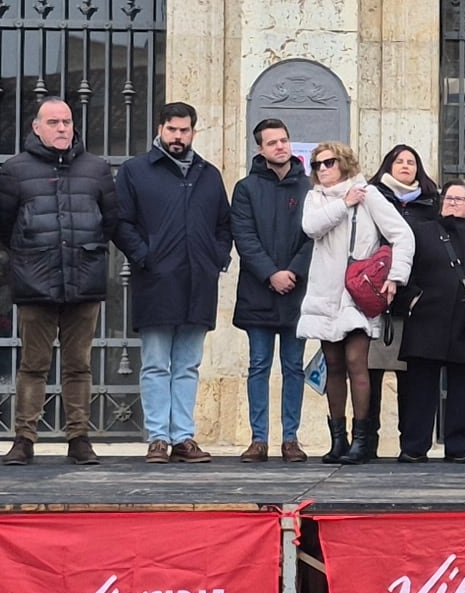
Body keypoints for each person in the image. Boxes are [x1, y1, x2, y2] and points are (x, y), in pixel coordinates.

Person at [0, 95, 117, 467]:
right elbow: (4, 225)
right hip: (35, 281)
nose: (62, 128)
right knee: (33, 365)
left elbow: (110, 219)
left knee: (79, 364)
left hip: (84, 279)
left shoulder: (96, 169)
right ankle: (24, 439)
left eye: (66, 122)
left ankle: (79, 438)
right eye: (53, 122)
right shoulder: (15, 170)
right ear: (36, 127)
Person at [112, 101, 232, 462]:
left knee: (188, 364)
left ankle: (183, 437)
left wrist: (216, 259)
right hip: (156, 281)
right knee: (155, 363)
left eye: (184, 130)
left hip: (199, 282)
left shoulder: (208, 174)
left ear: (194, 131)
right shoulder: (136, 171)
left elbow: (223, 225)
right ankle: (158, 438)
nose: (178, 136)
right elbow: (121, 222)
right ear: (160, 129)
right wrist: (145, 256)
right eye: (172, 130)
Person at [297, 143, 410, 465]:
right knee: (332, 365)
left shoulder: (368, 194)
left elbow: (402, 235)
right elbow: (310, 227)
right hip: (324, 291)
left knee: (356, 361)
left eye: (329, 162)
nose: (322, 169)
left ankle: (362, 440)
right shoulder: (316, 198)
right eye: (317, 164)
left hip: (357, 293)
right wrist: (344, 204)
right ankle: (338, 440)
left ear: (343, 163)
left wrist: (395, 277)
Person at [394, 180, 465, 461]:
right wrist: (412, 298)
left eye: (459, 199)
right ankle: (414, 447)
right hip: (427, 318)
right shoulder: (422, 231)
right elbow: (404, 266)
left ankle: (459, 447)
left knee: (463, 388)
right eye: (448, 198)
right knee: (420, 388)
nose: (452, 203)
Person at [231, 119, 315, 462]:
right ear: (260, 149)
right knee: (259, 365)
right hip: (259, 291)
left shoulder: (310, 188)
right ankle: (258, 439)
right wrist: (271, 274)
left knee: (294, 366)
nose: (280, 147)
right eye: (272, 143)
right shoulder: (246, 188)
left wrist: (293, 271)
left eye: (284, 140)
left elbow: (315, 237)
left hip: (298, 292)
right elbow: (244, 237)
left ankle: (291, 439)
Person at [364, 145, 435, 456]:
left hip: (414, 301)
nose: (406, 166)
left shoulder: (432, 203)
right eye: (399, 161)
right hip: (373, 300)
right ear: (387, 166)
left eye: (411, 162)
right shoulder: (370, 198)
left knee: (413, 379)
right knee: (367, 376)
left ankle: (413, 446)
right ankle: (365, 443)